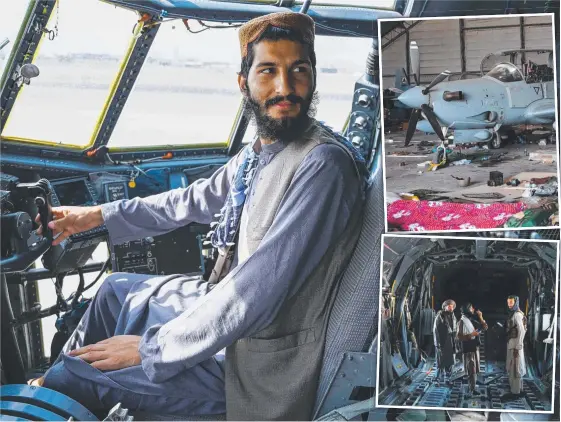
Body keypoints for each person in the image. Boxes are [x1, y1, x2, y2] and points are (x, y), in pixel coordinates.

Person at [29, 11, 368, 421]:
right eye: (268, 71)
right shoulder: (261, 152)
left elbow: (255, 291)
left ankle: (57, 391)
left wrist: (150, 348)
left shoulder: (323, 166)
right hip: (223, 308)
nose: (285, 87)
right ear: (244, 84)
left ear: (313, 77)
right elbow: (189, 202)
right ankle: (51, 394)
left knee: (74, 376)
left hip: (255, 363)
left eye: (299, 70)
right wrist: (96, 215)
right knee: (114, 290)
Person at [457, 302, 488, 397]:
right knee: (472, 370)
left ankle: (472, 388)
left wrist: (481, 316)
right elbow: (459, 337)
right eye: (471, 308)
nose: (473, 310)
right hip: (468, 349)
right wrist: (471, 335)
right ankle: (472, 389)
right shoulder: (462, 322)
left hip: (474, 348)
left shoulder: (470, 320)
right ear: (467, 310)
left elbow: (485, 327)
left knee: (473, 370)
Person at [502, 295, 527, 401]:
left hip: (515, 346)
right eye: (508, 302)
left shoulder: (517, 315)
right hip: (514, 344)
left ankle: (515, 393)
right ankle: (519, 390)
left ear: (516, 302)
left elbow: (521, 330)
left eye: (511, 302)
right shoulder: (518, 314)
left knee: (514, 369)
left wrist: (518, 345)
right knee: (517, 368)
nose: (509, 304)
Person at [433, 299, 457, 384]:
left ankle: (449, 379)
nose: (451, 307)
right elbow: (435, 329)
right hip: (442, 341)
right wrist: (437, 343)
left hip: (451, 341)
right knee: (441, 361)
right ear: (445, 307)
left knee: (450, 361)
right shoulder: (440, 316)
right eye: (449, 306)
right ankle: (438, 379)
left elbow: (455, 329)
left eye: (452, 306)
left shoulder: (453, 316)